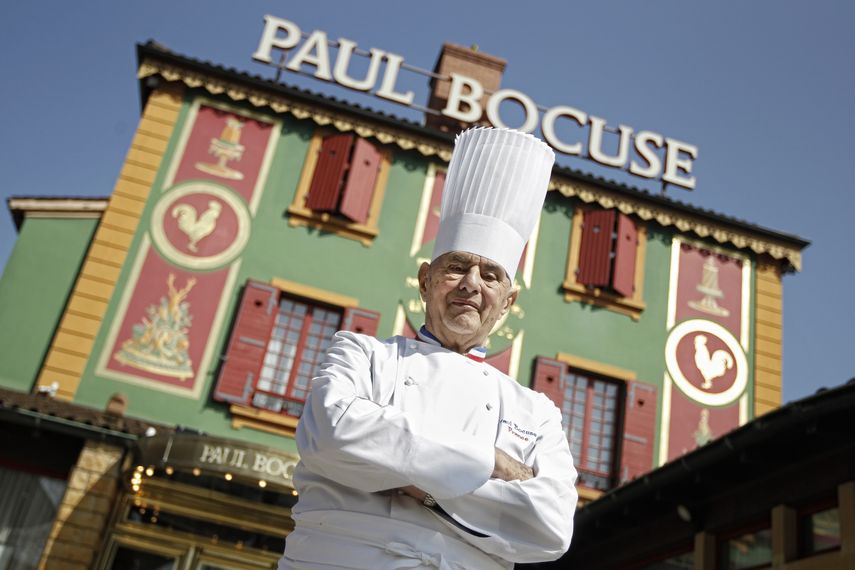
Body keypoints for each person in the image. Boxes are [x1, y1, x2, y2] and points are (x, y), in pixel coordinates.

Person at [280, 127, 577, 569]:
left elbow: (551, 527)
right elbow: (331, 434)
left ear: (508, 302)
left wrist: (417, 482)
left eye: (491, 275)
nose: (471, 285)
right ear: (425, 281)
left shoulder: (537, 412)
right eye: (456, 267)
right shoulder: (362, 355)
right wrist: (489, 461)